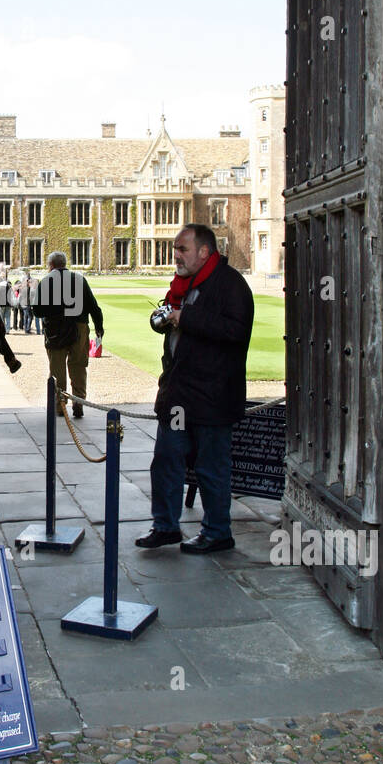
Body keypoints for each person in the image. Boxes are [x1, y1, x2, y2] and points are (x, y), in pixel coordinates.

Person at [135, 224, 253, 553]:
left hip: (213, 397)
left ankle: (217, 532)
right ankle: (165, 526)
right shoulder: (186, 285)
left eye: (182, 249)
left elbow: (235, 331)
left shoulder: (230, 285)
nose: (175, 255)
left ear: (204, 251)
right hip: (179, 395)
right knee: (166, 461)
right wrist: (168, 317)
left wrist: (184, 318)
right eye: (174, 248)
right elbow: (174, 324)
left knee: (210, 468)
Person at [33, 252, 103, 419]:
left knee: (57, 369)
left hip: (55, 329)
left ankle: (60, 406)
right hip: (79, 327)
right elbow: (94, 307)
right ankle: (78, 402)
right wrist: (99, 327)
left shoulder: (46, 281)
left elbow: (37, 311)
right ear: (65, 263)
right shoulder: (79, 279)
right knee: (78, 366)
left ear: (51, 265)